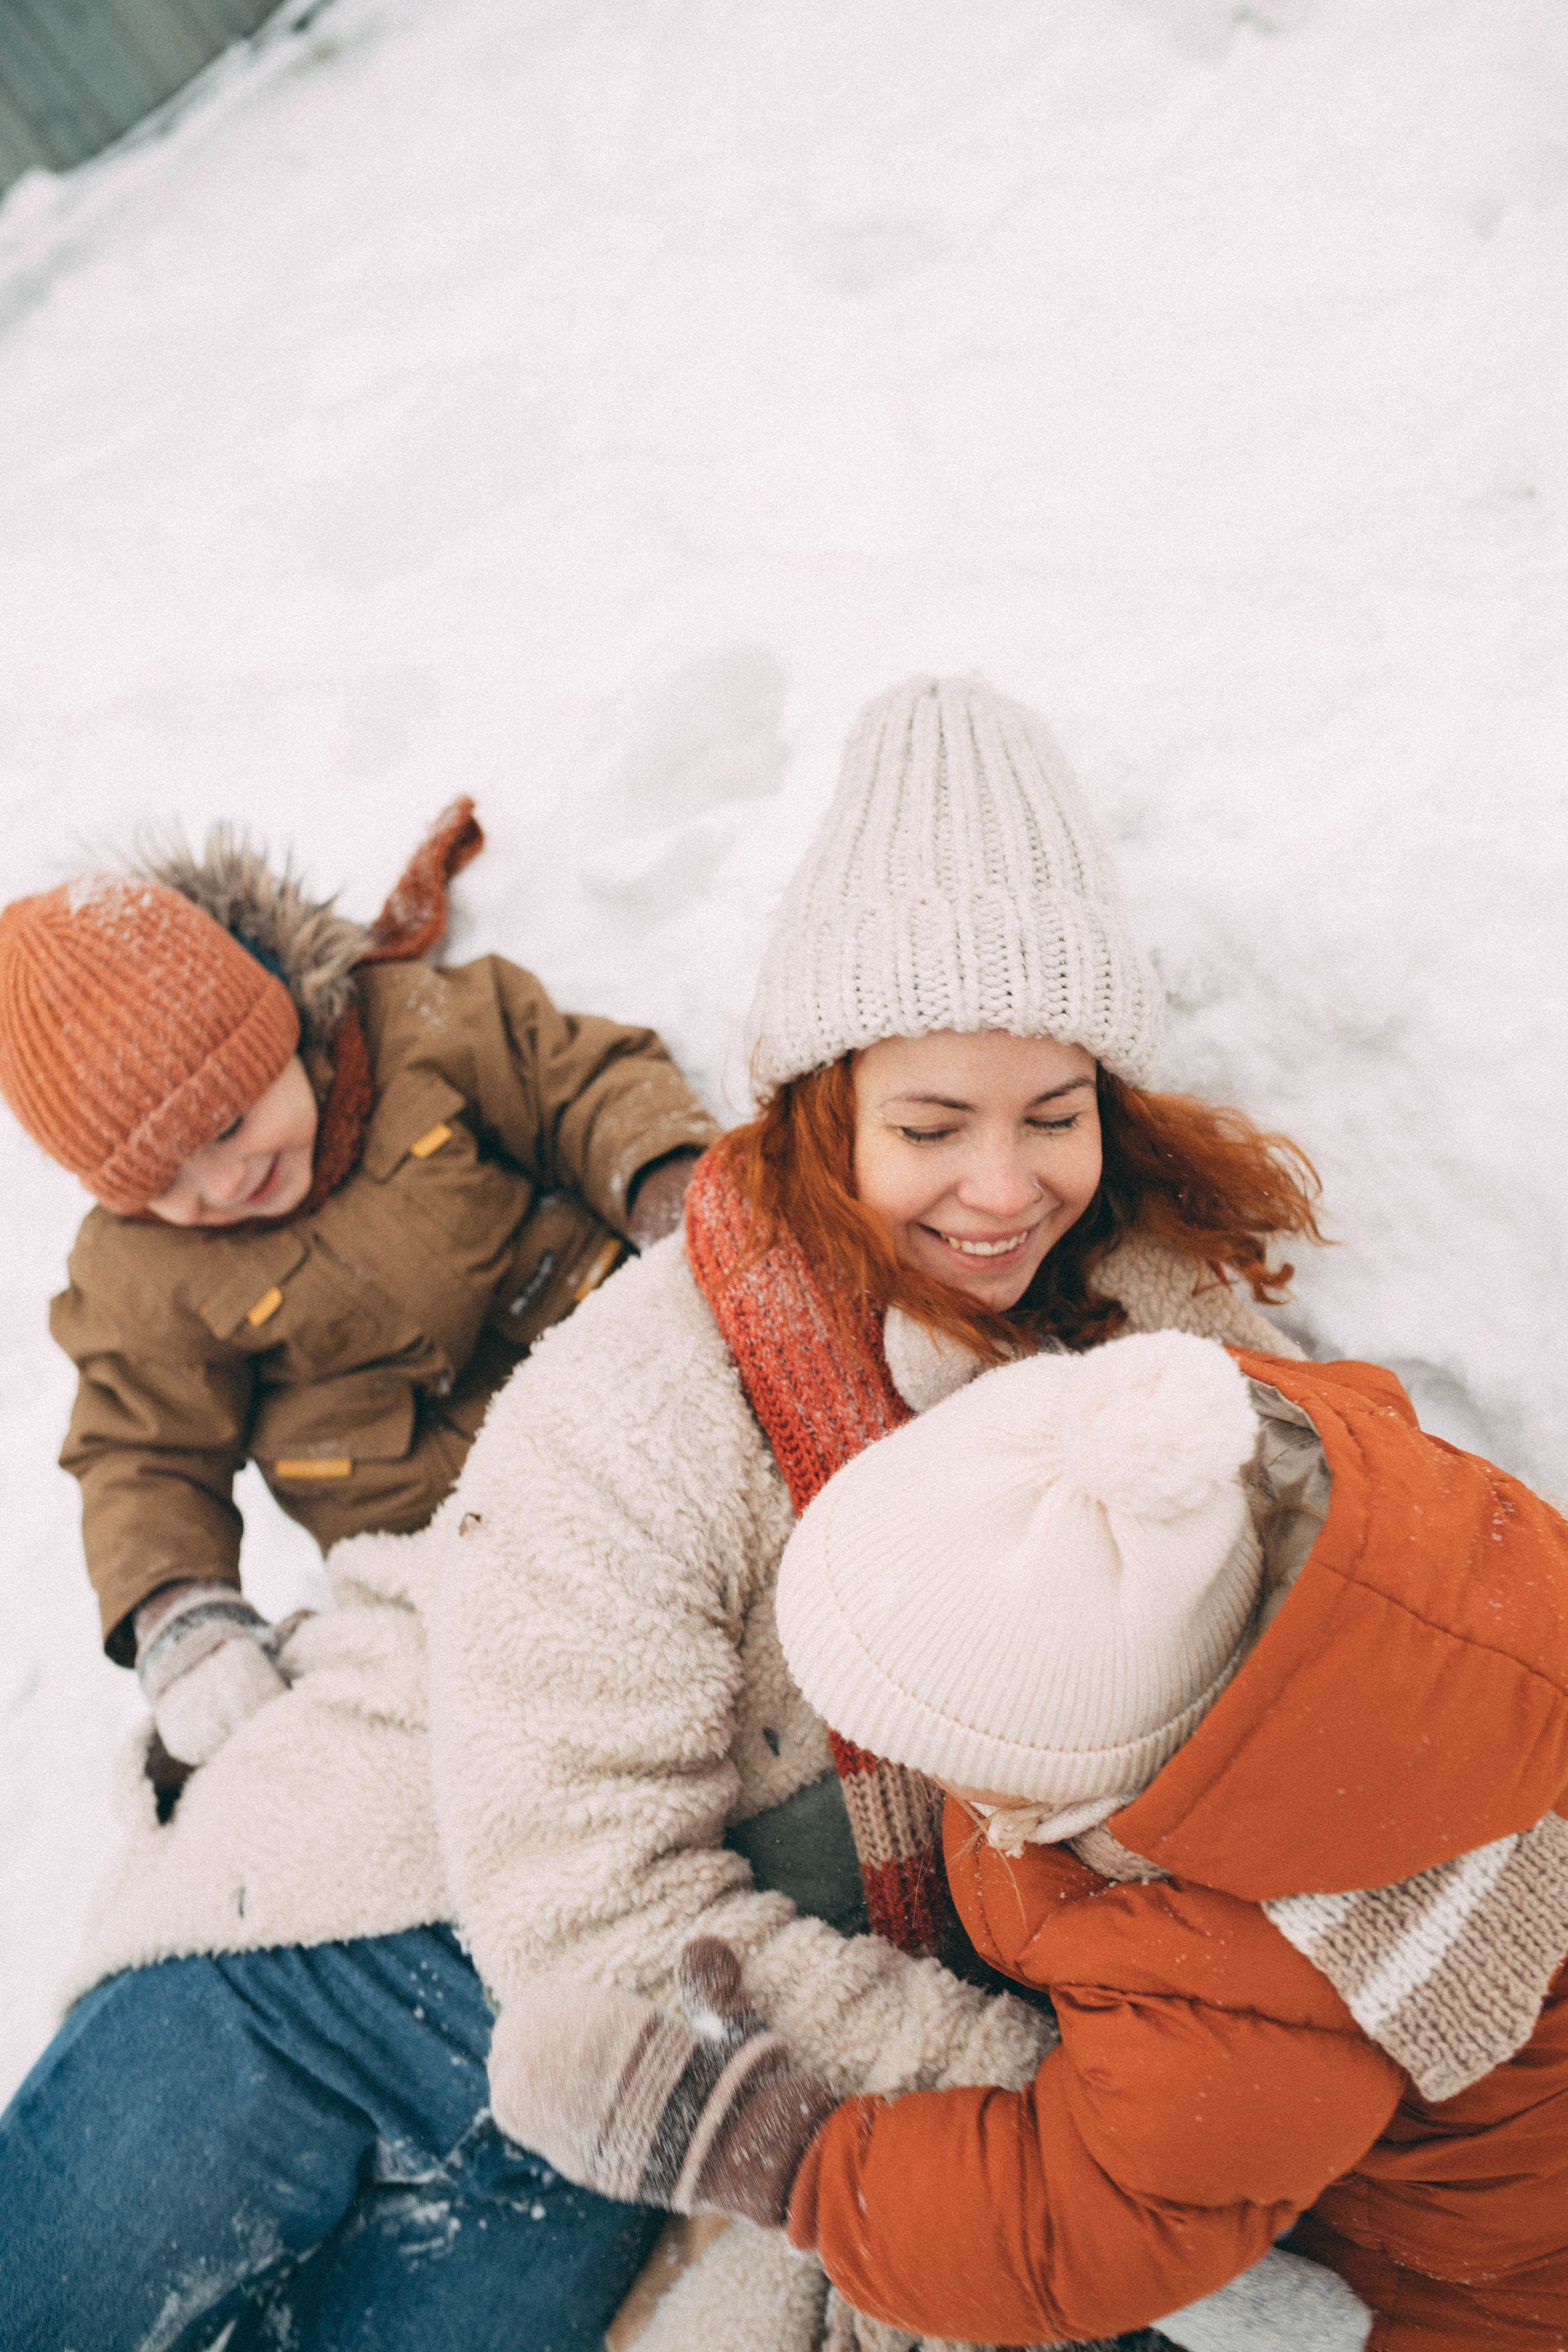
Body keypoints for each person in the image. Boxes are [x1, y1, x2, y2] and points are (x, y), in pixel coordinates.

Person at [417, 674, 1349, 2352]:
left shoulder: (1147, 1302)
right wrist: (1050, 2133)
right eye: (929, 1126)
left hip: (1190, 2051)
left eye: (1053, 1116)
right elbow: (584, 1908)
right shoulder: (629, 1414)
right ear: (822, 1108)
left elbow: (1354, 1622)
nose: (1003, 1190)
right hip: (873, 2084)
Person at [0, 800, 715, 2350]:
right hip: (416, 1541)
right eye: (162, 1179)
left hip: (596, 1401)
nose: (217, 1186)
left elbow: (585, 1079)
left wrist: (667, 1186)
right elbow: (138, 1450)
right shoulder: (143, 1272)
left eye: (228, 1125)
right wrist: (184, 1618)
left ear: (281, 1021)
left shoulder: (430, 1029)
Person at [494, 1329, 1568, 2351]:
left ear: (1072, 1780)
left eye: (932, 1752)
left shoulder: (1255, 1985)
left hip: (1473, 2283)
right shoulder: (1235, 1479)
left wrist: (790, 2161)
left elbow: (1074, 2230)